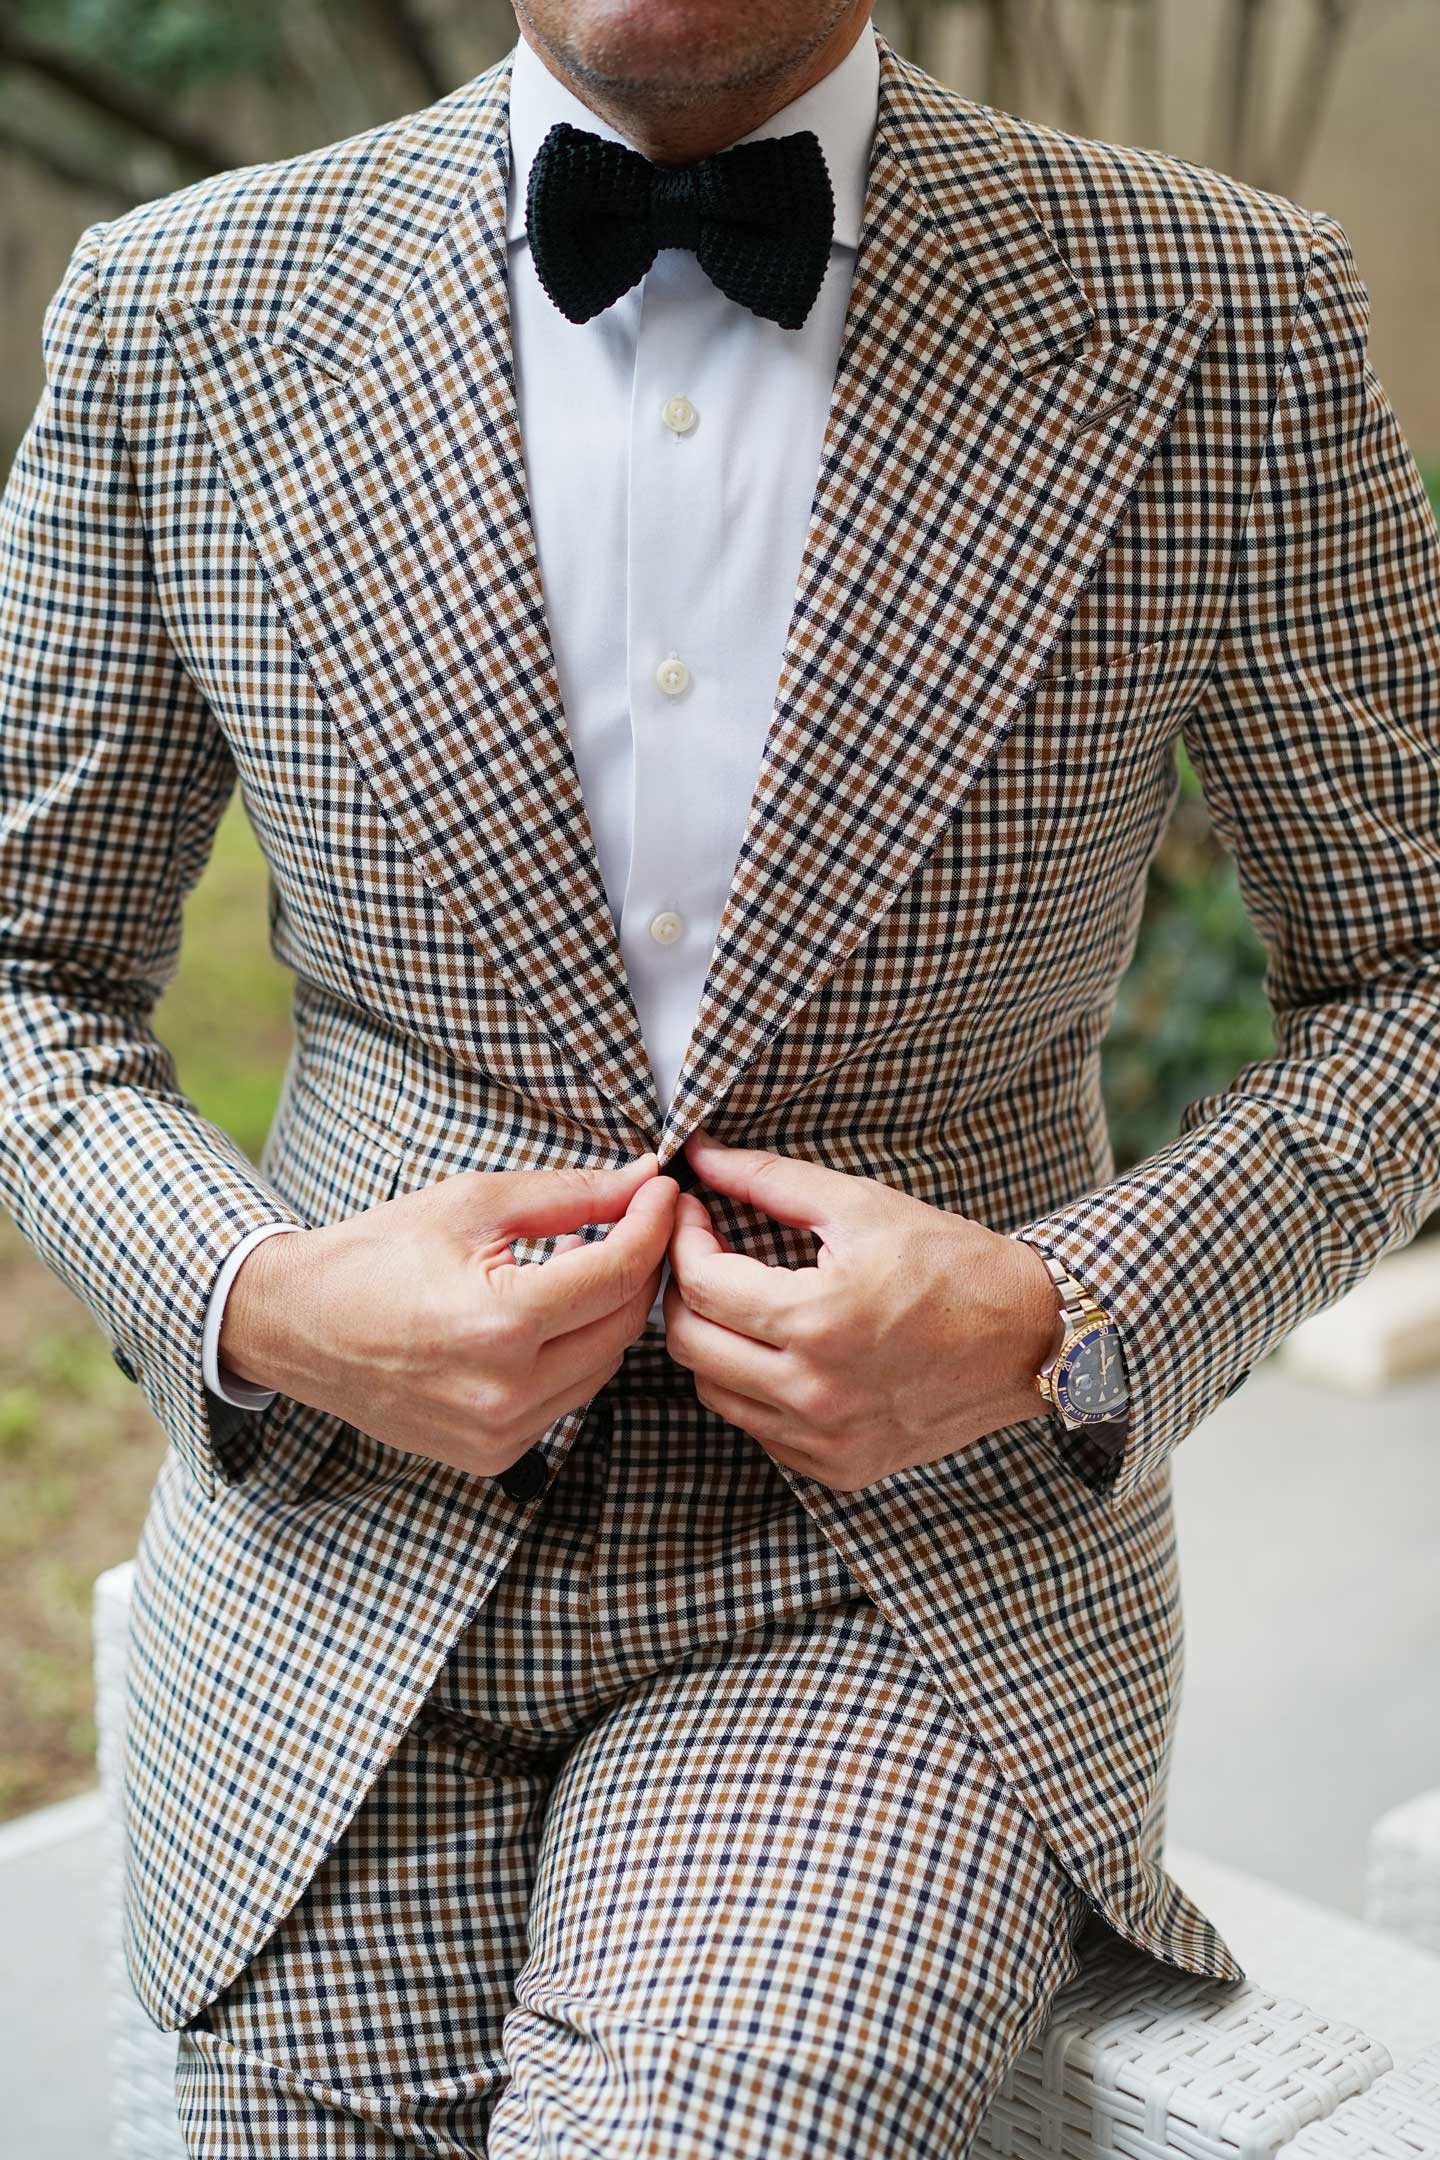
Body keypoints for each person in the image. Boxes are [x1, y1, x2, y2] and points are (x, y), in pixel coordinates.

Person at [1, 0, 1437, 2150]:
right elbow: (25, 962)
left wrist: (1067, 1319)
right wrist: (260, 1299)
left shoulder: (1225, 312)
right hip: (331, 1587)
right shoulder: (177, 309)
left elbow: (1413, 974)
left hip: (900, 1591)